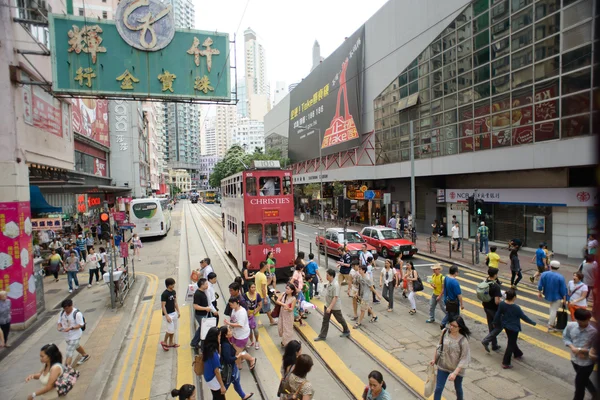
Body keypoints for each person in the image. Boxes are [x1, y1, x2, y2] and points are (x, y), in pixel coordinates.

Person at [493, 289, 536, 369]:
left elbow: (498, 314)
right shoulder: (516, 308)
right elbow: (524, 317)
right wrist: (533, 323)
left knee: (511, 341)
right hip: (514, 328)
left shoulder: (502, 304)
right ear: (514, 297)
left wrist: (495, 323)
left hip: (506, 326)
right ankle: (506, 362)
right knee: (511, 344)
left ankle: (517, 353)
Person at [430, 316, 471, 400]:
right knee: (438, 388)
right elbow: (439, 345)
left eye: (454, 326)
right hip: (443, 364)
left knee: (458, 388)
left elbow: (464, 358)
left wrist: (455, 373)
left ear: (459, 327)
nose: (451, 327)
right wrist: (434, 359)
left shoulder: (463, 340)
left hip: (457, 368)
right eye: (450, 324)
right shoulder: (445, 332)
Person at [562, 308, 597, 400]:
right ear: (577, 319)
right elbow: (566, 337)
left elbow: (595, 349)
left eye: (587, 320)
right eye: (583, 321)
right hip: (574, 359)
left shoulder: (593, 332)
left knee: (579, 384)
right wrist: (572, 347)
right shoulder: (570, 326)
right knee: (584, 380)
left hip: (587, 363)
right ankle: (595, 393)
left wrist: (582, 350)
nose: (586, 323)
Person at [219, 326, 255, 400]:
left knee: (236, 381)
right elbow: (228, 359)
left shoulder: (226, 342)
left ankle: (243, 395)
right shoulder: (225, 346)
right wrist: (238, 356)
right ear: (225, 335)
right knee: (226, 385)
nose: (231, 331)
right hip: (229, 370)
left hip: (232, 368)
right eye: (229, 331)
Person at [315, 269, 351, 341]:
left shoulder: (336, 285)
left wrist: (330, 308)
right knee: (325, 320)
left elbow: (335, 297)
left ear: (331, 276)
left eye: (327, 275)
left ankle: (346, 330)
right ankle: (322, 336)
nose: (326, 276)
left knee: (339, 319)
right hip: (327, 304)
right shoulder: (329, 283)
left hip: (334, 307)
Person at [224, 297, 257, 369]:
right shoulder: (234, 309)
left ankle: (251, 359)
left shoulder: (242, 312)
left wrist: (229, 324)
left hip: (242, 335)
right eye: (230, 305)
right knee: (236, 350)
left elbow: (240, 325)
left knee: (237, 352)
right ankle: (239, 363)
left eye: (231, 305)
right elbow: (233, 320)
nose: (230, 306)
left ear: (236, 303)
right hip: (235, 334)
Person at [58, 299, 90, 366]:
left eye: (67, 308)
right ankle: (85, 355)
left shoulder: (77, 313)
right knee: (76, 346)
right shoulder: (62, 313)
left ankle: (66, 368)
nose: (66, 310)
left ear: (71, 306)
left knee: (69, 352)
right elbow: (59, 322)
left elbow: (81, 324)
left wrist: (71, 328)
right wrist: (59, 327)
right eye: (64, 308)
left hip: (75, 335)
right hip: (67, 336)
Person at [538, 260, 567, 332]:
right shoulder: (560, 277)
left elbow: (540, 285)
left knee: (551, 308)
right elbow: (563, 289)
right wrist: (564, 299)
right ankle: (550, 324)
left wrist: (539, 292)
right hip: (557, 296)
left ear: (550, 266)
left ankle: (552, 322)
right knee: (554, 310)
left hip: (548, 294)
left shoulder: (544, 274)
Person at [480, 268, 503, 352]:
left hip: (486, 306)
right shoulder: (496, 286)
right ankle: (486, 340)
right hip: (493, 309)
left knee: (491, 325)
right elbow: (497, 301)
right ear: (495, 275)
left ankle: (494, 345)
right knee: (499, 326)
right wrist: (502, 302)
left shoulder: (485, 281)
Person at [202, 327, 227, 399]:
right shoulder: (213, 354)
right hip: (213, 378)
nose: (220, 337)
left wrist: (218, 344)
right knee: (220, 397)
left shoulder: (207, 347)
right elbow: (216, 371)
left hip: (208, 375)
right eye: (219, 336)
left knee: (216, 396)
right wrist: (222, 386)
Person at [190, 278, 215, 350]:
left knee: (201, 328)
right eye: (206, 284)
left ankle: (194, 342)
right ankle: (202, 346)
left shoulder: (204, 291)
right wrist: (205, 308)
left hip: (204, 314)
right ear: (202, 285)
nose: (207, 285)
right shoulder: (197, 294)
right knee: (204, 330)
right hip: (200, 315)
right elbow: (195, 306)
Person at [161, 277, 181, 351]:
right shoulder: (164, 294)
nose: (173, 286)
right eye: (172, 285)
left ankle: (171, 342)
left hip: (174, 312)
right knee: (169, 329)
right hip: (168, 314)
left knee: (173, 329)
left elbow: (175, 302)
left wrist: (178, 311)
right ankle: (164, 342)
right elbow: (163, 306)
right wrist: (166, 316)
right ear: (168, 285)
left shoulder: (173, 292)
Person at [441, 265, 464, 329]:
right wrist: (462, 304)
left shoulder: (446, 278)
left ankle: (443, 323)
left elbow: (444, 287)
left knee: (450, 313)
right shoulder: (455, 282)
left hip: (447, 299)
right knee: (455, 316)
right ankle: (453, 327)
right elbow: (459, 295)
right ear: (456, 272)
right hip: (453, 302)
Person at [255, 261, 277, 325]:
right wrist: (265, 298)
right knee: (267, 309)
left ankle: (271, 320)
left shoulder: (257, 274)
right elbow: (263, 289)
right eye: (267, 266)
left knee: (259, 309)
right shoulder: (263, 276)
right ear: (264, 267)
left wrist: (269, 280)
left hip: (257, 295)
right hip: (262, 296)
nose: (267, 268)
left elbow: (264, 285)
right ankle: (272, 321)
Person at [276, 283, 297, 347]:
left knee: (288, 330)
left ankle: (287, 344)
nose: (286, 290)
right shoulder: (283, 294)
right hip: (282, 314)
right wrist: (284, 305)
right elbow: (277, 301)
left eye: (288, 289)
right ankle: (284, 341)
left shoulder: (293, 299)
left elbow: (291, 309)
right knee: (281, 327)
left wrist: (288, 308)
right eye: (286, 288)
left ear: (292, 291)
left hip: (288, 316)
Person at [244, 282, 262, 350]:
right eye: (252, 287)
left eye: (254, 287)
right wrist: (247, 312)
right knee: (249, 329)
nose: (253, 289)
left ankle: (257, 341)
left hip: (255, 314)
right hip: (247, 314)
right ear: (249, 288)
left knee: (255, 329)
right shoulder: (245, 295)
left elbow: (260, 305)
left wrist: (255, 311)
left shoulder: (257, 295)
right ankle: (251, 341)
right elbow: (243, 304)